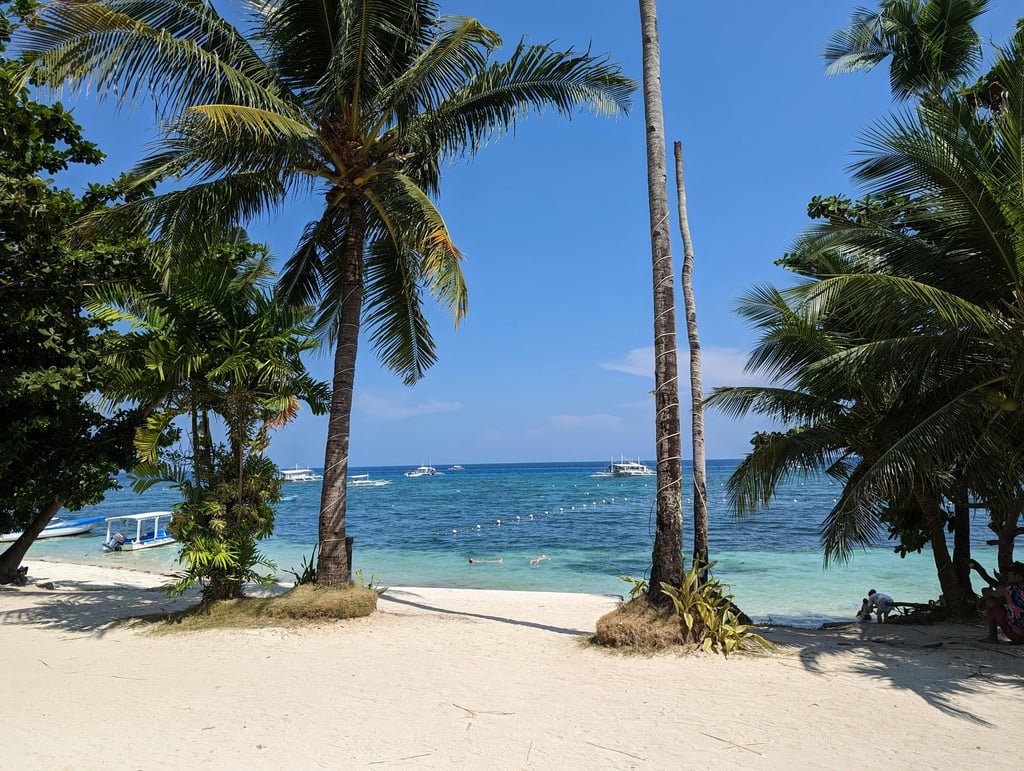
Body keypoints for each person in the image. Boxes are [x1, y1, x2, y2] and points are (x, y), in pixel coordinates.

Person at [980, 562, 1024, 644]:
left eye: (1010, 574)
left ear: (1018, 577)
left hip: (1017, 635)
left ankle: (992, 637)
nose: (1008, 576)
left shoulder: (1008, 590)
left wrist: (983, 597)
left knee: (990, 602)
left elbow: (990, 595)